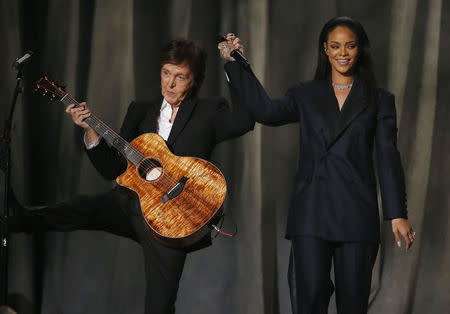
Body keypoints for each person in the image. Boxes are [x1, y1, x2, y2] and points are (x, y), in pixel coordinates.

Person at [10, 39, 254, 314]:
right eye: (166, 73)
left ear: (194, 79)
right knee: (78, 208)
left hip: (172, 221)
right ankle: (17, 219)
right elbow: (113, 170)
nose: (170, 84)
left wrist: (235, 66)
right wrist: (91, 132)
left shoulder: (209, 111)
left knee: (159, 306)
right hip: (131, 205)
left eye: (180, 77)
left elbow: (245, 121)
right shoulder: (140, 110)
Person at [219, 17, 414, 314]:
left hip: (357, 215)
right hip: (311, 213)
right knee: (307, 300)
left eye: (349, 46)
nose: (343, 53)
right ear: (325, 49)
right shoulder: (306, 93)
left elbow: (388, 156)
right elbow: (267, 112)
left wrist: (397, 213)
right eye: (335, 46)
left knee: (353, 303)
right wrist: (236, 63)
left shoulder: (379, 99)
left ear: (360, 49)